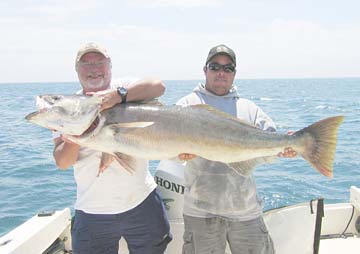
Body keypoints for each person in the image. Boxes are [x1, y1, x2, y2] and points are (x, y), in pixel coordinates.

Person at [53, 42, 172, 254]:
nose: (94, 69)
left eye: (100, 62)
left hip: (141, 202)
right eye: (86, 64)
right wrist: (72, 137)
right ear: (76, 69)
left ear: (109, 65)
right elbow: (62, 162)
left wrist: (118, 96)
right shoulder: (70, 107)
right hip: (92, 211)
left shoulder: (124, 86)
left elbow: (158, 86)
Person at [177, 44, 297, 254]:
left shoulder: (249, 109)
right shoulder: (186, 105)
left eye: (228, 68)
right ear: (205, 70)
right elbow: (169, 148)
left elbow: (270, 146)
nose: (221, 73)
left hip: (245, 211)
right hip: (200, 211)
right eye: (215, 67)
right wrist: (178, 152)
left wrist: (285, 147)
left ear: (234, 73)